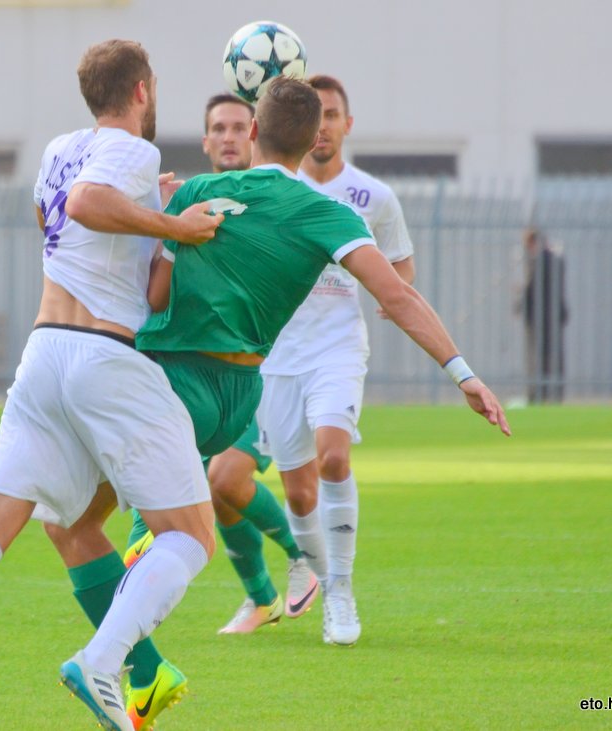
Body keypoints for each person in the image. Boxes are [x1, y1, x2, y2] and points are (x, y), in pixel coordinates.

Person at [48, 75, 510, 728]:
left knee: (109, 524)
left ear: (254, 133)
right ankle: (139, 666)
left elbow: (135, 263)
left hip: (153, 376)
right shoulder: (328, 215)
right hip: (230, 392)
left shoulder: (198, 191)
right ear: (310, 138)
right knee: (117, 522)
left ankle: (114, 651)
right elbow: (399, 296)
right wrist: (464, 373)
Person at [0, 39, 224, 731]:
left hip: (43, 353)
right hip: (105, 357)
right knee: (191, 533)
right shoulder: (135, 151)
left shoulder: (56, 148)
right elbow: (86, 203)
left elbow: (61, 217)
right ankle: (105, 661)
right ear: (141, 90)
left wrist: (151, 235)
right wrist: (176, 227)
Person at [124, 93, 316, 639]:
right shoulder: (192, 203)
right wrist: (164, 224)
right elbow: (155, 295)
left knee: (222, 477)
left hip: (261, 375)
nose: (230, 136)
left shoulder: (285, 202)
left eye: (238, 126)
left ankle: (304, 556)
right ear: (206, 142)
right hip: (196, 374)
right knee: (217, 489)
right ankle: (261, 597)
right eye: (218, 129)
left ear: (255, 133)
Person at [255, 74, 416, 646]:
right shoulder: (273, 190)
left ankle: (341, 593)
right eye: (315, 115)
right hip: (278, 353)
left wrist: (391, 301)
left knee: (333, 455)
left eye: (333, 114)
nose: (323, 125)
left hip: (337, 351)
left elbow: (400, 271)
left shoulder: (374, 197)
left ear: (348, 124)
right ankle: (322, 574)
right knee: (297, 493)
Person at [522, 227, 568, 403]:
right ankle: (555, 392)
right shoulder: (557, 258)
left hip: (540, 317)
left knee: (539, 355)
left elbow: (532, 289)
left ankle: (538, 393)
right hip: (555, 316)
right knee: (555, 355)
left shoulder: (540, 259)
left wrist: (522, 304)